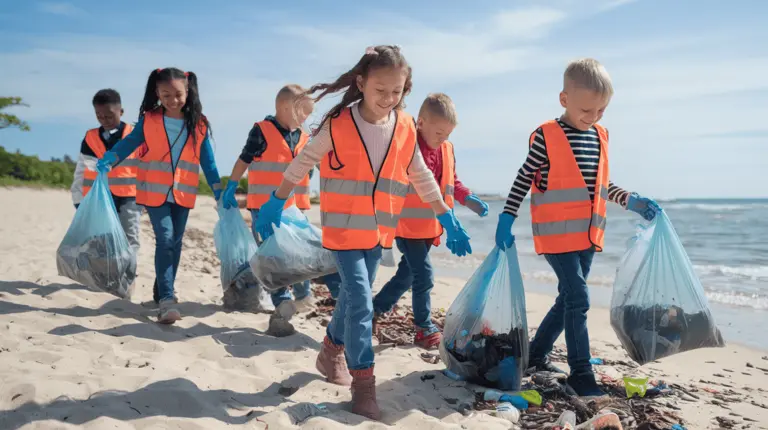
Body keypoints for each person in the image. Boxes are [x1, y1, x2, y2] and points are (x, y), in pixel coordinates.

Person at [254, 45, 472, 420]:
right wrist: (277, 199)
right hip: (342, 231)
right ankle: (364, 387)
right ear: (361, 83)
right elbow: (304, 161)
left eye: (397, 91)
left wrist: (446, 216)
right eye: (380, 90)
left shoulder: (404, 126)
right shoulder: (339, 123)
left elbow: (419, 174)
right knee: (361, 299)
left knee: (354, 300)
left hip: (379, 232)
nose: (388, 99)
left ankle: (329, 350)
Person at [495, 58, 661, 396]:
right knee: (579, 299)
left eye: (602, 110)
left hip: (587, 234)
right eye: (587, 110)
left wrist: (628, 199)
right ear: (564, 99)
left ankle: (536, 355)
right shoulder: (547, 136)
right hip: (556, 235)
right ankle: (581, 374)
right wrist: (507, 216)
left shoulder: (600, 135)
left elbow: (600, 184)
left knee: (568, 299)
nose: (594, 117)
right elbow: (523, 177)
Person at [97, 67, 223, 324]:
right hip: (154, 190)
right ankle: (167, 299)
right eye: (166, 95)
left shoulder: (198, 123)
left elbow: (208, 161)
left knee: (175, 243)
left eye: (178, 94)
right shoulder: (150, 119)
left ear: (188, 91)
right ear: (157, 93)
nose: (172, 100)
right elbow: (130, 142)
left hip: (183, 192)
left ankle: (160, 290)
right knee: (165, 239)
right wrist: (112, 157)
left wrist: (219, 189)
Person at [372, 93, 489, 350]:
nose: (443, 140)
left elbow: (451, 182)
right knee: (424, 276)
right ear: (421, 122)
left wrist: (467, 198)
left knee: (407, 276)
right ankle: (423, 328)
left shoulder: (446, 148)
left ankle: (375, 309)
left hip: (430, 227)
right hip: (405, 225)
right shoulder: (407, 144)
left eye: (447, 134)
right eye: (438, 133)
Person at [221, 84, 317, 336]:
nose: (306, 119)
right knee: (272, 256)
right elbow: (244, 159)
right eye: (303, 113)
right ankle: (281, 301)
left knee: (300, 253)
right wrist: (231, 185)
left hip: (295, 210)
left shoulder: (304, 137)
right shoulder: (262, 131)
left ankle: (303, 293)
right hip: (263, 209)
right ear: (286, 108)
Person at [70, 89, 142, 255]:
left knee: (129, 235)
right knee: (100, 237)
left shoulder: (134, 135)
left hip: (130, 197)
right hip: (98, 198)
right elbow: (81, 170)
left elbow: (145, 167)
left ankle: (127, 272)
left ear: (121, 111)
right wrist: (77, 198)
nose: (104, 120)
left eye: (109, 116)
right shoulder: (90, 137)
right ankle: (104, 273)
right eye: (99, 116)